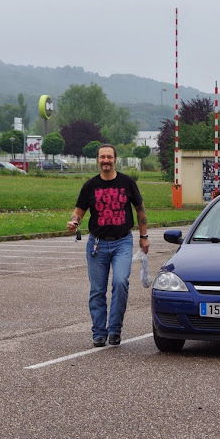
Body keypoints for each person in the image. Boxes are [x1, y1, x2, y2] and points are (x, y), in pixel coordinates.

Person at [66, 144, 149, 347]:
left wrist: (143, 236)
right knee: (97, 290)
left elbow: (140, 209)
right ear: (97, 159)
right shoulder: (90, 186)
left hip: (122, 242)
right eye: (102, 157)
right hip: (97, 244)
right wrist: (74, 222)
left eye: (109, 157)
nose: (106, 160)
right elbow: (79, 211)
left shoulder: (127, 183)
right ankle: (99, 332)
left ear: (115, 159)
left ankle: (114, 329)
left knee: (120, 282)